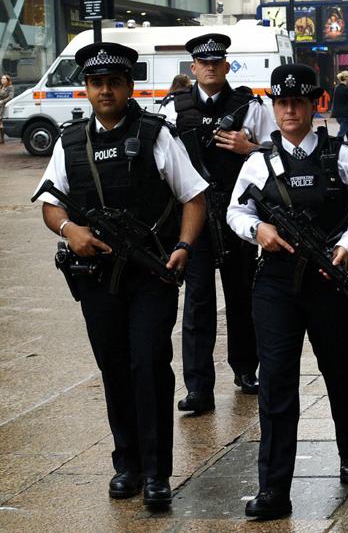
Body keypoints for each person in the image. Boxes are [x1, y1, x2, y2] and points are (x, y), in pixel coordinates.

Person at [33, 42, 207, 507]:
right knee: (113, 366)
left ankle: (156, 474)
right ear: (86, 89)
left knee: (148, 364)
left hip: (151, 272)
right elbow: (50, 204)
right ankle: (126, 465)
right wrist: (71, 231)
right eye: (96, 83)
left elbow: (194, 197)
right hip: (95, 276)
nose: (105, 90)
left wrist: (184, 246)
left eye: (114, 82)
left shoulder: (156, 135)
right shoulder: (70, 142)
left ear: (129, 86)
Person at [227, 64, 348, 519]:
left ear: (314, 104)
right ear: (273, 107)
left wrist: (347, 244)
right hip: (276, 281)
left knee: (340, 369)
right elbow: (236, 211)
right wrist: (258, 231)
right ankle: (274, 488)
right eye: (281, 103)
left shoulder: (340, 154)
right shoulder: (259, 159)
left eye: (297, 102)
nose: (289, 111)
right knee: (276, 381)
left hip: (329, 278)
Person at [162, 33, 276, 414]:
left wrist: (252, 148)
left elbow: (277, 151)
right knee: (197, 302)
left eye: (217, 62)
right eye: (203, 63)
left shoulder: (249, 106)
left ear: (227, 66)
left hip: (236, 214)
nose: (210, 68)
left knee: (242, 294)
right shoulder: (173, 109)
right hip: (194, 217)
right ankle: (198, 387)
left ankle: (246, 370)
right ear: (193, 68)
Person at [0, 74, 15, 144]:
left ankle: (2, 139)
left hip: (5, 106)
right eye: (2, 79)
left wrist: (2, 101)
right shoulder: (1, 87)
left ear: (7, 80)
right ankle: (2, 139)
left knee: (1, 122)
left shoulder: (10, 87)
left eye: (4, 79)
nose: (2, 80)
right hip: (0, 106)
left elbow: (11, 97)